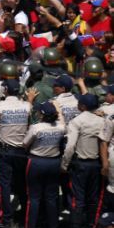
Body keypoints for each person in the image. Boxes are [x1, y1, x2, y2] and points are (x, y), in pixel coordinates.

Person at [0, 79, 31, 227]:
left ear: (5, 90)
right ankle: (25, 215)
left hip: (4, 151)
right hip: (21, 151)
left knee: (4, 185)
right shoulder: (27, 106)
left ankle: (6, 219)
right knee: (22, 184)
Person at [61, 93, 104, 227]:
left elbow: (70, 147)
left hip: (80, 165)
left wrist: (64, 165)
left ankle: (76, 224)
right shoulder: (101, 121)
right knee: (93, 197)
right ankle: (91, 223)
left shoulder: (77, 121)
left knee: (77, 198)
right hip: (96, 164)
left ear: (83, 106)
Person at [23, 102, 66, 228]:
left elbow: (25, 143)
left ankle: (31, 225)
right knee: (51, 197)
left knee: (33, 198)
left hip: (36, 162)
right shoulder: (61, 127)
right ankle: (53, 225)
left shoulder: (36, 128)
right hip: (54, 162)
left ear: (41, 114)